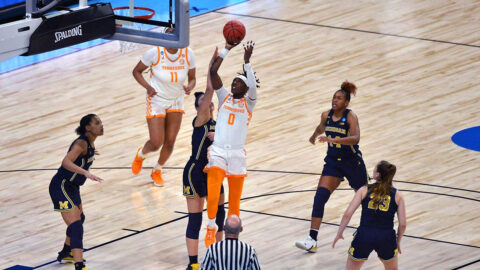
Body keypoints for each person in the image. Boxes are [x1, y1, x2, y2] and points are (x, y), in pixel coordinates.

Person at [295, 81, 368, 252]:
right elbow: (321, 127)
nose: (335, 100)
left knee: (365, 197)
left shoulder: (350, 116)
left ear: (346, 103)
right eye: (334, 97)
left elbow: (356, 138)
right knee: (320, 196)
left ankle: (366, 230)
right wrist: (313, 136)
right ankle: (312, 239)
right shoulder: (326, 115)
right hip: (334, 162)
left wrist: (335, 140)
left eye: (339, 98)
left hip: (352, 162)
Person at [203, 41, 259, 247]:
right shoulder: (224, 96)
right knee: (213, 190)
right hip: (217, 151)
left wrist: (247, 63)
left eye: (238, 82)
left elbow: (253, 86)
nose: (233, 84)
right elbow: (213, 71)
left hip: (236, 155)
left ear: (245, 88)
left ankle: (233, 235)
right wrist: (227, 49)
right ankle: (211, 226)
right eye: (233, 81)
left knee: (234, 200)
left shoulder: (249, 103)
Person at [131, 27, 196, 187]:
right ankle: (141, 154)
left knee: (170, 141)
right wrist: (148, 87)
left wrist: (190, 86)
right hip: (157, 99)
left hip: (176, 99)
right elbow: (136, 71)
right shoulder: (154, 52)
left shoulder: (188, 53)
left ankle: (157, 170)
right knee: (156, 142)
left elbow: (192, 78)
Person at [183, 48, 226, 270]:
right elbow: (210, 88)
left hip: (215, 171)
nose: (208, 102)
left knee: (219, 213)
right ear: (199, 107)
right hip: (195, 172)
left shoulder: (219, 126)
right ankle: (193, 264)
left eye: (209, 102)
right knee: (196, 219)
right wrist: (212, 65)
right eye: (204, 101)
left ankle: (217, 256)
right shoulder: (199, 121)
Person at [49, 114, 104, 270]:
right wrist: (86, 173)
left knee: (80, 218)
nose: (101, 125)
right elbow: (65, 162)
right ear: (87, 128)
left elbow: (83, 155)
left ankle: (67, 252)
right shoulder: (81, 143)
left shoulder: (89, 144)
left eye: (101, 122)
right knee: (76, 225)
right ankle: (79, 265)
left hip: (72, 187)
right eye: (97, 123)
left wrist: (91, 154)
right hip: (61, 185)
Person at [332, 160, 407, 270]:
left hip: (364, 235)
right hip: (386, 237)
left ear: (378, 174)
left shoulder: (364, 190)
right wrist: (398, 241)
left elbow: (348, 214)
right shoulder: (398, 195)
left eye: (375, 168)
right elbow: (403, 224)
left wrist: (339, 233)